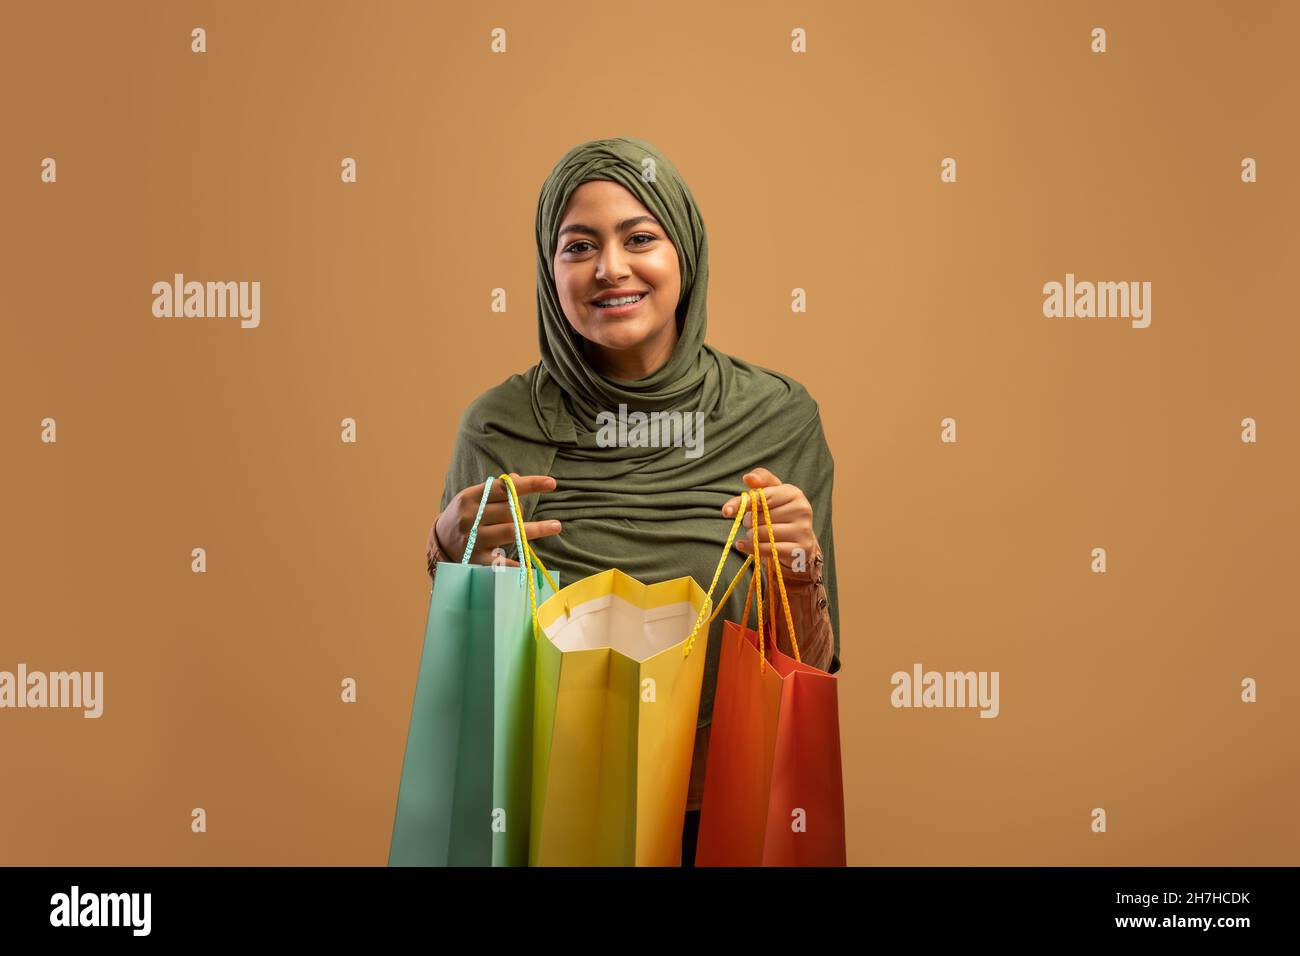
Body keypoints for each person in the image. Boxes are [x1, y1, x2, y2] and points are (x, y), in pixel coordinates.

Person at [424, 136, 840, 866]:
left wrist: (799, 568)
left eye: (639, 238)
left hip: (724, 816)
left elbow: (809, 665)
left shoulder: (777, 418)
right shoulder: (498, 427)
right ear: (549, 270)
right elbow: (476, 676)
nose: (610, 269)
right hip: (547, 810)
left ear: (684, 252)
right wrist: (446, 554)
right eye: (578, 246)